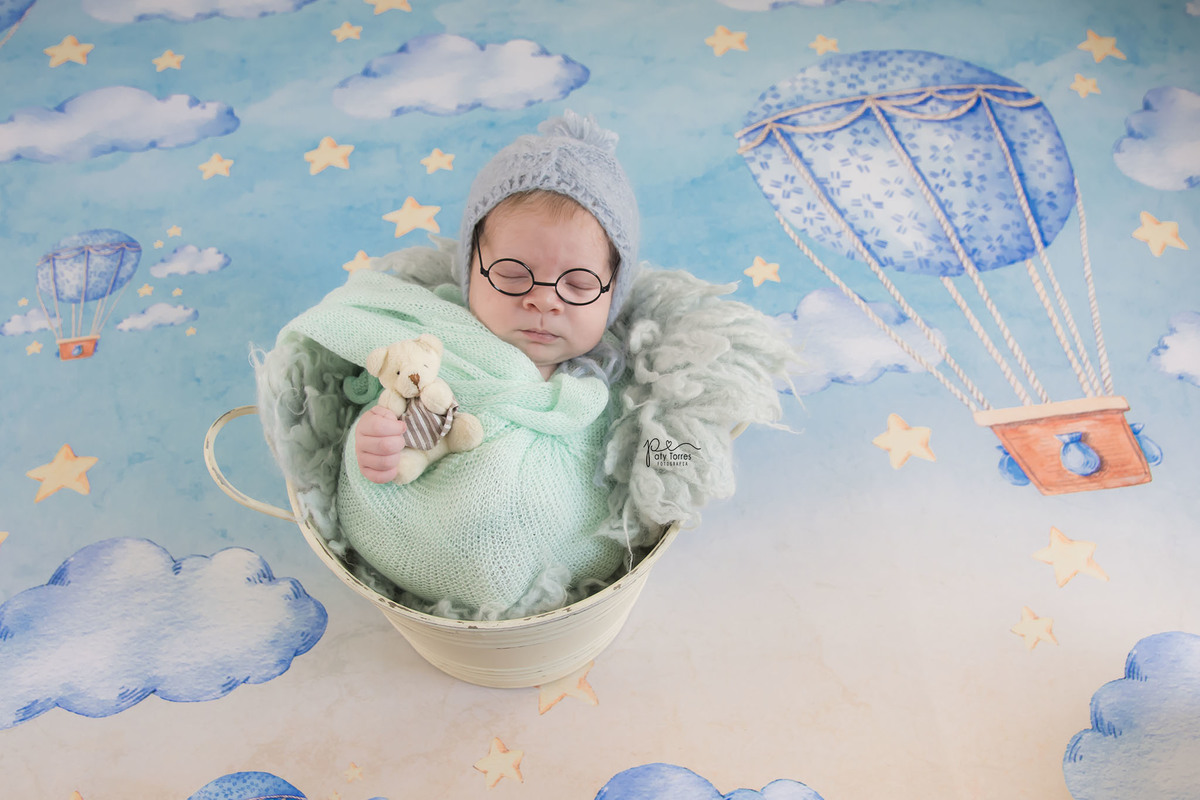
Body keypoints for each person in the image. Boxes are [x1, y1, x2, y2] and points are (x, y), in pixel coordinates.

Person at [354, 110, 640, 484]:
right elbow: (384, 400)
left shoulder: (622, 393)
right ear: (470, 269)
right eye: (512, 275)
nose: (544, 301)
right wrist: (377, 442)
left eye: (579, 284)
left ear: (613, 292)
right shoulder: (432, 342)